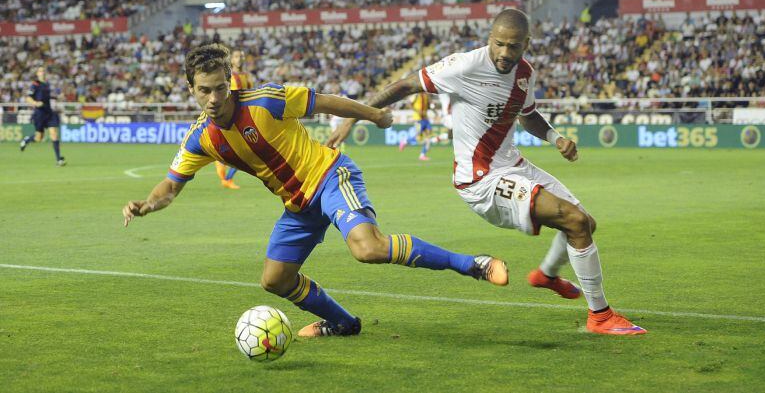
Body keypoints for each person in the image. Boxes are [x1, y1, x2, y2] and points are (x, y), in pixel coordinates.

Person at [121, 43, 508, 338]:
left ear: (230, 83)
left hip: (329, 176)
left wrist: (373, 115)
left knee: (368, 248)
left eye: (221, 88)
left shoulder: (266, 101)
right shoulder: (200, 139)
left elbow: (325, 103)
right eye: (205, 90)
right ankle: (342, 324)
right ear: (191, 89)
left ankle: (473, 264)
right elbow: (170, 186)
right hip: (298, 206)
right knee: (275, 280)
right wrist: (147, 205)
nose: (214, 98)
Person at [328, 9, 646, 335]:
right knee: (575, 222)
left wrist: (555, 137)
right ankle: (601, 316)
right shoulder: (464, 65)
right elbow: (405, 85)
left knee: (584, 224)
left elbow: (528, 115)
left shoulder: (525, 73)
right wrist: (355, 117)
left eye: (513, 46)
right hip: (481, 181)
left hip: (514, 166)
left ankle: (547, 275)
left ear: (527, 44)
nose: (505, 53)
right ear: (489, 39)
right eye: (499, 44)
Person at [215, 49, 253, 189]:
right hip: (232, 117)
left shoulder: (247, 76)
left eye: (242, 56)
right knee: (243, 151)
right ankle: (225, 174)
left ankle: (223, 167)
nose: (240, 58)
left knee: (245, 152)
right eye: (237, 56)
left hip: (245, 115)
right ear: (232, 60)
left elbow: (250, 93)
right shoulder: (228, 76)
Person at [20, 66, 66, 166]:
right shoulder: (35, 84)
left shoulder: (47, 84)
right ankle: (27, 140)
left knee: (54, 134)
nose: (43, 72)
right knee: (38, 138)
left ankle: (59, 159)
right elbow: (28, 98)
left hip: (49, 112)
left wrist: (57, 97)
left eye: (44, 71)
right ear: (37, 73)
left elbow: (48, 97)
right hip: (40, 114)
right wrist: (36, 103)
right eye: (40, 71)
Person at [399, 91, 433, 161]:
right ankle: (405, 141)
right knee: (418, 138)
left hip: (426, 118)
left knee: (429, 137)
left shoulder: (426, 95)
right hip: (418, 119)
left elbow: (428, 105)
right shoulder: (416, 95)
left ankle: (422, 155)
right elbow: (409, 103)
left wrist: (433, 108)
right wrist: (417, 111)